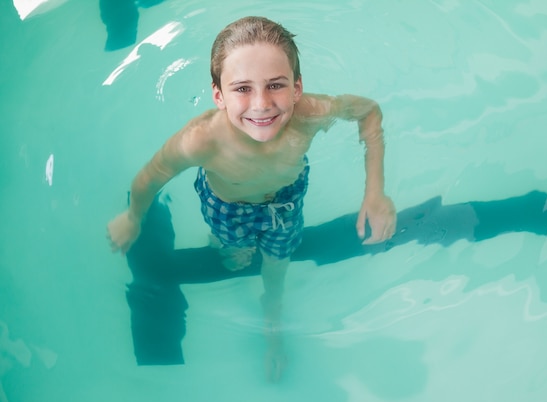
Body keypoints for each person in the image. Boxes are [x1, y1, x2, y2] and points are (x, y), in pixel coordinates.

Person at [107, 16, 397, 381]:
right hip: (227, 206)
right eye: (242, 88)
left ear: (297, 88)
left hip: (287, 200)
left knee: (278, 263)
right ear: (218, 95)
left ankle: (271, 310)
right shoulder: (202, 140)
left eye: (275, 85)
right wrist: (133, 217)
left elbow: (369, 112)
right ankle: (229, 249)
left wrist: (375, 192)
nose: (261, 104)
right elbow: (150, 177)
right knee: (232, 254)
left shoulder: (309, 114)